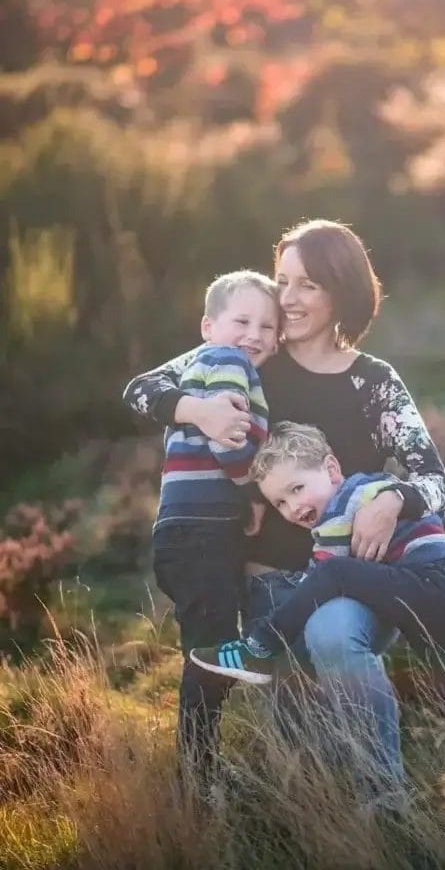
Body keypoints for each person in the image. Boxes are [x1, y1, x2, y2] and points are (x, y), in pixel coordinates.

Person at [123, 219, 445, 788]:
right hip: (267, 592)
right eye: (283, 280)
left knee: (334, 644)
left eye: (308, 284)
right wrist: (197, 411)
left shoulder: (373, 383)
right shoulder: (247, 352)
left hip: (348, 582)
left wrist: (395, 501)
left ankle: (388, 805)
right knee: (311, 767)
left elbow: (436, 481)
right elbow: (143, 389)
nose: (288, 298)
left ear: (342, 292)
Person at [190, 421, 445, 721]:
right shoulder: (373, 486)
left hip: (431, 584)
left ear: (331, 470)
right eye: (281, 503)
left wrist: (292, 608)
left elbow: (323, 577)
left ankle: (259, 647)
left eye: (297, 489)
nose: (293, 508)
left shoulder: (342, 509)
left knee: (332, 574)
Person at [150, 269, 278, 785]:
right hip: (200, 534)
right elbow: (229, 441)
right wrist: (255, 490)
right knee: (212, 657)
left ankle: (202, 766)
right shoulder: (227, 363)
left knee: (209, 648)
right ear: (208, 326)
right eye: (242, 320)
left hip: (194, 532)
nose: (255, 335)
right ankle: (198, 776)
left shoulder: (210, 363)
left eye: (268, 326)